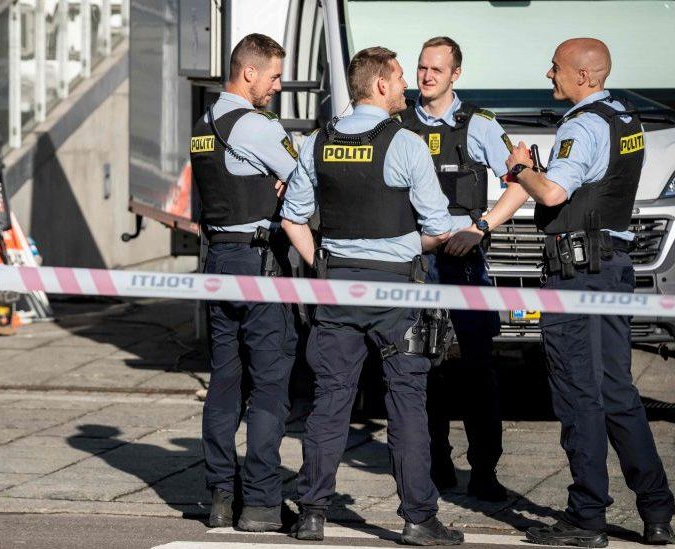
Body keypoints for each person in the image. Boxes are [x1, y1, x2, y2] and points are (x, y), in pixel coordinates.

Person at [281, 46, 464, 545]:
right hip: (395, 289)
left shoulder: (320, 142)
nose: (407, 85)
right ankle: (418, 518)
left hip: (337, 286)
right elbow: (439, 228)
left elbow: (293, 218)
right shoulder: (406, 144)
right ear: (380, 84)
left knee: (330, 400)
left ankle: (313, 512)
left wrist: (322, 262)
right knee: (407, 402)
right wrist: (404, 246)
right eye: (401, 77)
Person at [504, 38, 674, 547]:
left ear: (583, 76)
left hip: (577, 275)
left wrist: (520, 169)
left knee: (579, 394)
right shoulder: (627, 118)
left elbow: (554, 193)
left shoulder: (582, 124)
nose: (548, 74)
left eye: (555, 68)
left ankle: (586, 519)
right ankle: (657, 511)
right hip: (613, 268)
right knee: (618, 392)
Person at [398, 36, 531, 501]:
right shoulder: (399, 123)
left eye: (437, 69)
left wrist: (481, 226)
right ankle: (435, 462)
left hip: (465, 261)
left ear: (456, 74)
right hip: (418, 261)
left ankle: (485, 471)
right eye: (421, 68)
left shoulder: (479, 124)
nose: (427, 76)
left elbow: (520, 186)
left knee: (478, 369)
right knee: (422, 366)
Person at [190, 33, 299, 532]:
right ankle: (259, 502)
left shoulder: (204, 124)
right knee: (270, 386)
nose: (277, 85)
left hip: (218, 261)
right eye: (273, 76)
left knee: (224, 383)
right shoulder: (252, 126)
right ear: (248, 72)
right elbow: (305, 178)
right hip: (259, 264)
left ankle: (219, 494)